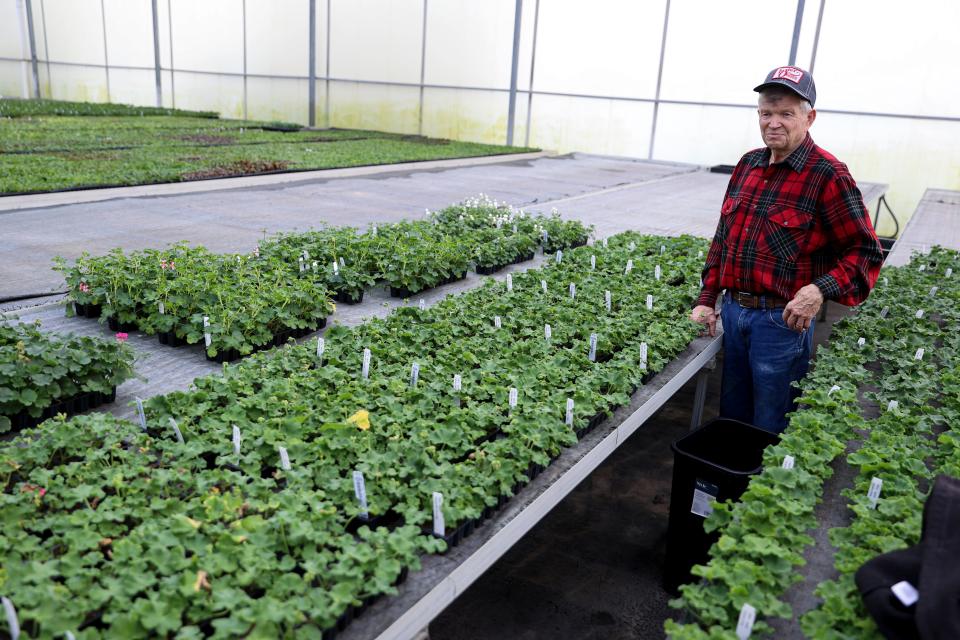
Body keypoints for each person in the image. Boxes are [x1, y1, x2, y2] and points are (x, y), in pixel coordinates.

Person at [690, 65, 883, 433]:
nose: (773, 122)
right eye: (766, 113)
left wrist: (818, 291)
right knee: (732, 417)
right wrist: (706, 298)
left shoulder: (828, 174)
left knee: (770, 424)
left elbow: (864, 250)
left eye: (785, 113)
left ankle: (762, 489)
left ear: (809, 118)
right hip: (735, 311)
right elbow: (724, 239)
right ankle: (732, 486)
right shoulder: (748, 164)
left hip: (781, 323)